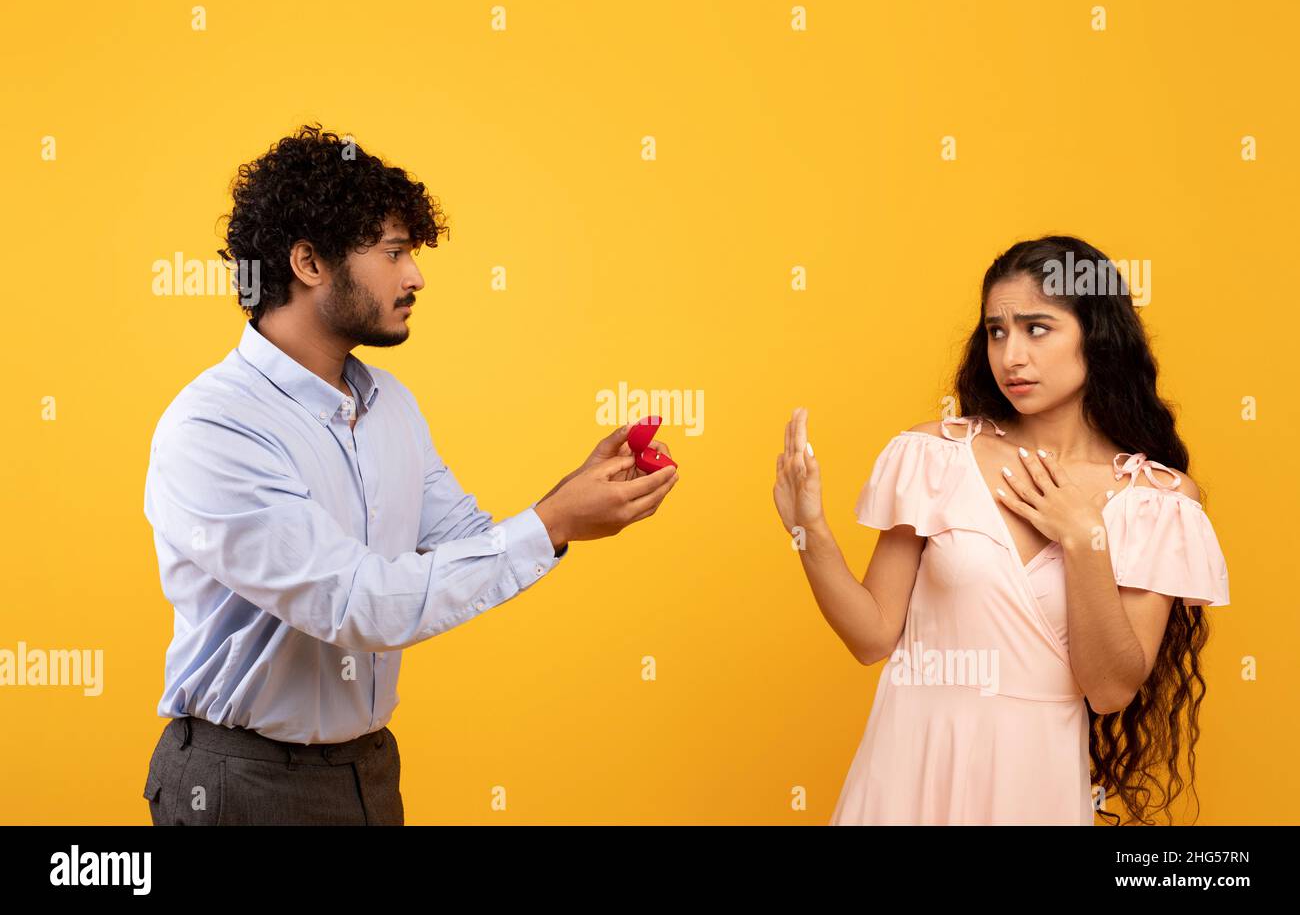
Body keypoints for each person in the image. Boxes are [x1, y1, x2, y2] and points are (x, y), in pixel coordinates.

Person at [141, 124, 679, 825]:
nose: (416, 276)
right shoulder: (215, 428)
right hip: (242, 783)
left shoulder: (389, 403)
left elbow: (465, 539)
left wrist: (574, 497)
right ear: (309, 261)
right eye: (394, 253)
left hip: (369, 770)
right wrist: (551, 524)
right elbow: (357, 605)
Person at [773, 235, 1229, 825]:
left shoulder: (1157, 501)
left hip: (1031, 785)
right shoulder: (935, 455)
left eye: (1037, 328)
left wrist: (1085, 536)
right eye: (996, 331)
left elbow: (1110, 689)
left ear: (1097, 334)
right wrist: (809, 529)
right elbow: (872, 639)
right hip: (907, 761)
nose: (1010, 355)